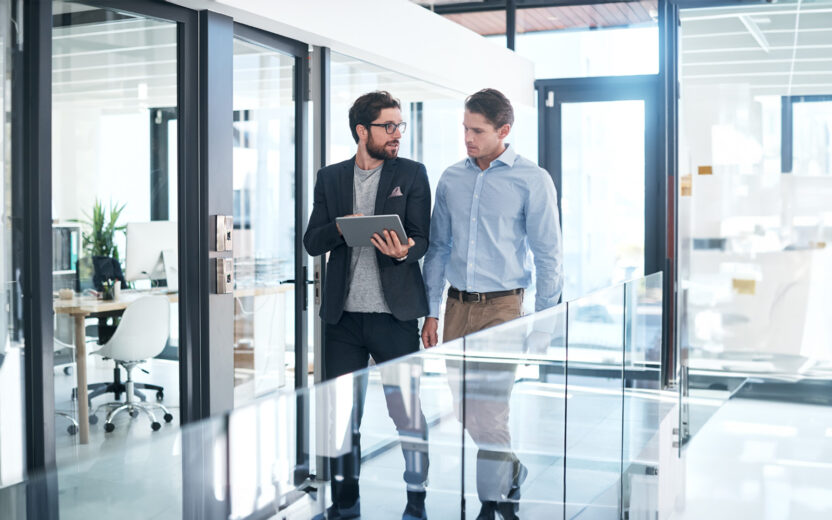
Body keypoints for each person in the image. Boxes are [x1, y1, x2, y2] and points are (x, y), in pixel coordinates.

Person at [421, 88, 563, 520]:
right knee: (465, 408)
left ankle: (492, 502)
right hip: (457, 307)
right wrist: (431, 311)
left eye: (477, 131)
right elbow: (439, 248)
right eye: (465, 128)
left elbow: (548, 256)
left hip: (503, 309)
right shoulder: (451, 178)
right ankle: (511, 468)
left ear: (504, 131)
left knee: (492, 409)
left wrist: (543, 325)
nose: (468, 137)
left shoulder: (532, 180)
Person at [304, 91, 431, 520]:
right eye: (388, 127)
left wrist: (404, 251)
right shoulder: (331, 177)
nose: (397, 134)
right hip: (342, 319)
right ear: (363, 131)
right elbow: (311, 241)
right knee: (341, 418)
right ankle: (344, 503)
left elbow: (422, 237)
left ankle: (417, 498)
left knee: (407, 413)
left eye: (400, 126)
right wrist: (344, 230)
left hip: (395, 317)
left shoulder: (412, 174)